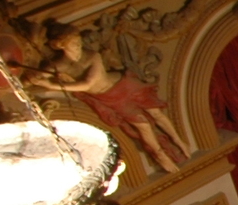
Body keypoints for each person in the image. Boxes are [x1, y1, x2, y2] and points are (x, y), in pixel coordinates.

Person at [29, 20, 190, 175]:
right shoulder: (58, 65)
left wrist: (50, 85)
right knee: (144, 126)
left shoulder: (92, 56)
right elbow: (34, 77)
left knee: (157, 113)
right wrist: (35, 78)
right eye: (73, 43)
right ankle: (160, 155)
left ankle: (179, 141)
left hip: (124, 84)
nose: (78, 45)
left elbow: (87, 84)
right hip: (111, 97)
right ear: (61, 45)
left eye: (78, 41)